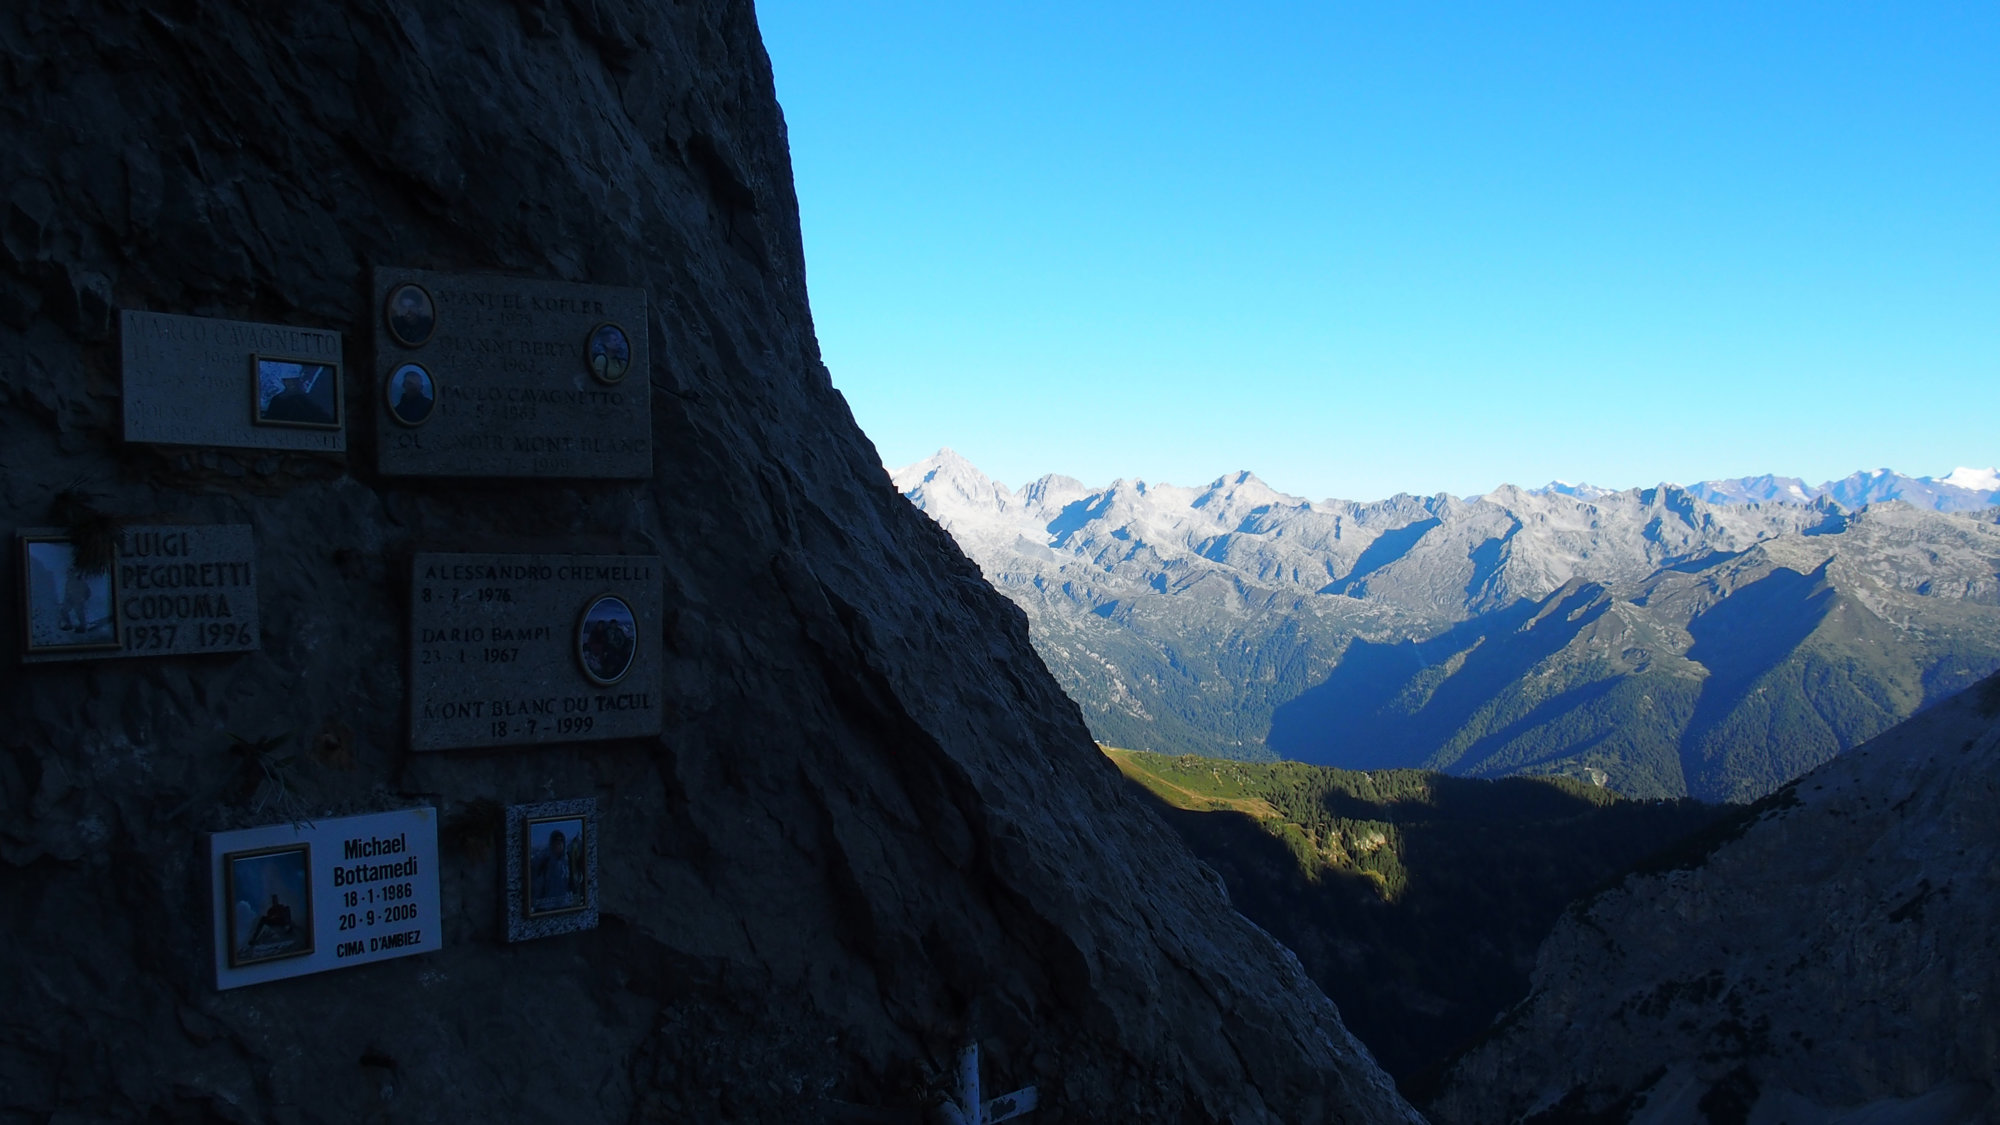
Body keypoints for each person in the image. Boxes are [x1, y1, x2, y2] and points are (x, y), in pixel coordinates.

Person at [261, 370, 335, 426]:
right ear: (284, 382)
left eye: (294, 380)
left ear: (298, 381)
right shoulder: (277, 399)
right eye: (288, 381)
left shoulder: (305, 399)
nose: (291, 383)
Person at [532, 829, 576, 911]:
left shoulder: (568, 861)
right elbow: (538, 884)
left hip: (565, 903)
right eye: (555, 843)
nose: (558, 846)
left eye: (560, 843)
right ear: (552, 845)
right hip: (548, 905)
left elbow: (572, 881)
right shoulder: (544, 861)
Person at [57, 567, 91, 632]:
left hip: (79, 601)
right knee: (63, 611)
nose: (67, 574)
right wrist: (65, 600)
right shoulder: (68, 582)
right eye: (67, 573)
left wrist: (84, 598)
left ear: (72, 573)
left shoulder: (80, 581)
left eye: (69, 573)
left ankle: (83, 627)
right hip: (70, 600)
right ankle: (69, 624)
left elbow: (88, 591)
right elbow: (67, 593)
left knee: (79, 613)